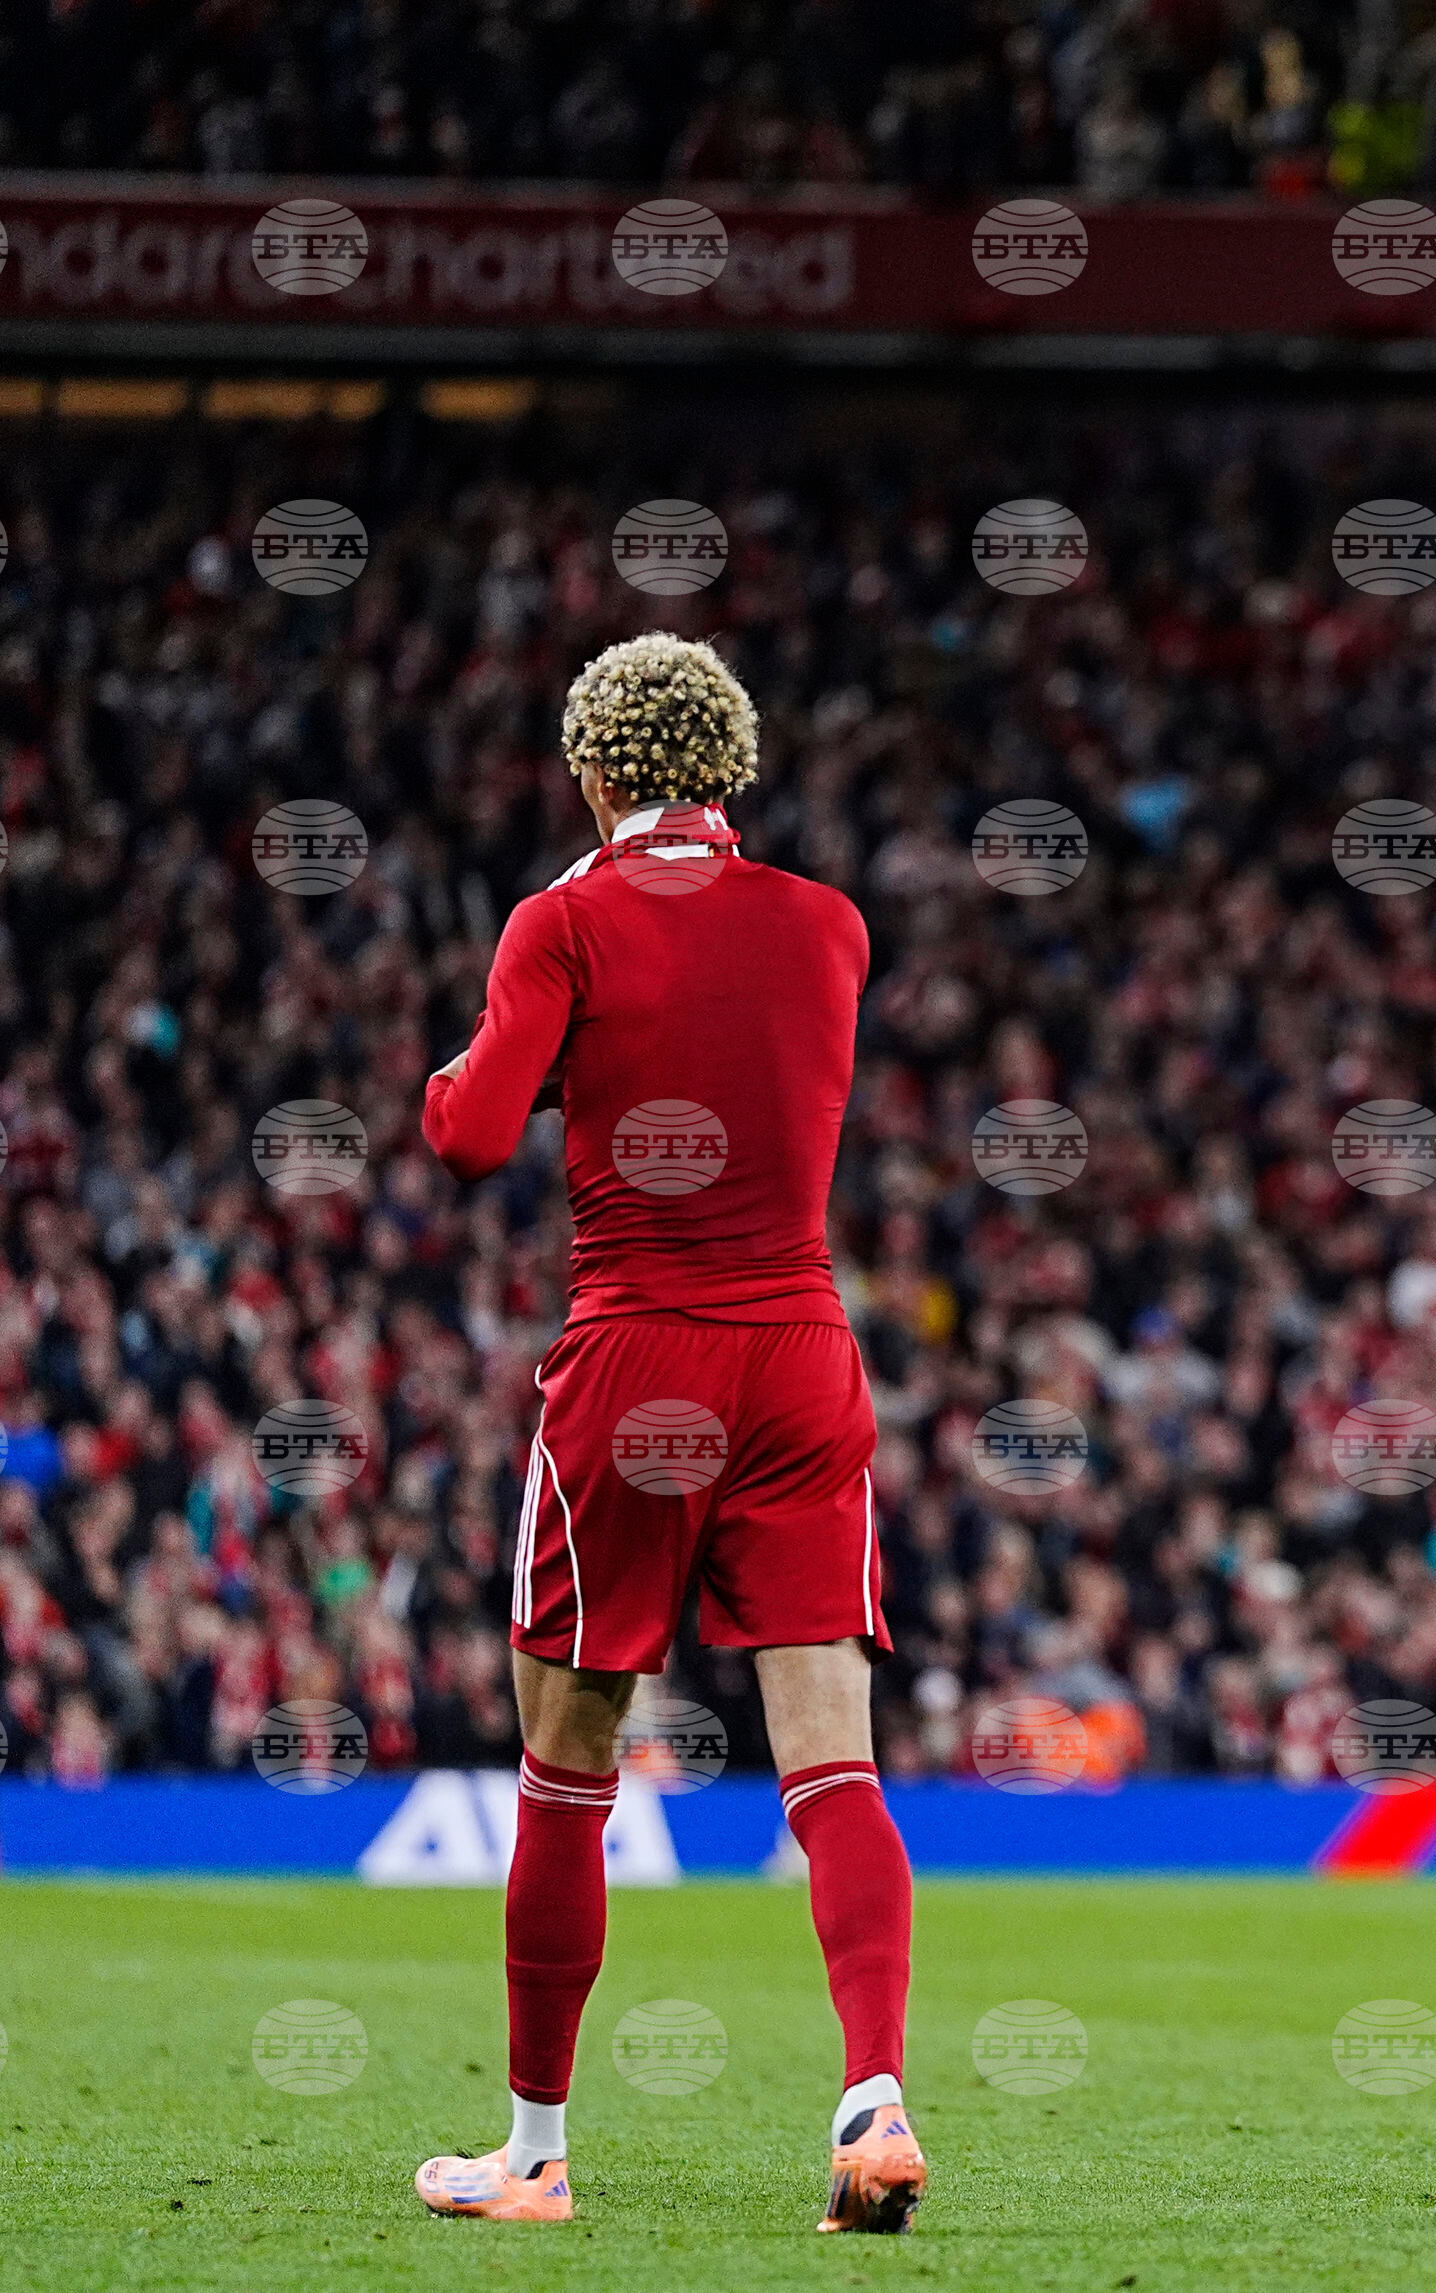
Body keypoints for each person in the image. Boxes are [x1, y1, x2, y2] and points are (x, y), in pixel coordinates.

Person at [408, 633, 926, 2233]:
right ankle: (875, 2097)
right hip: (802, 1356)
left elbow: (469, 1134)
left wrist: (478, 1054)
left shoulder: (561, 920)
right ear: (732, 770)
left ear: (591, 775)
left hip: (635, 1360)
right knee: (833, 1761)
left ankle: (536, 2154)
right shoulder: (831, 924)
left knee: (566, 1770)